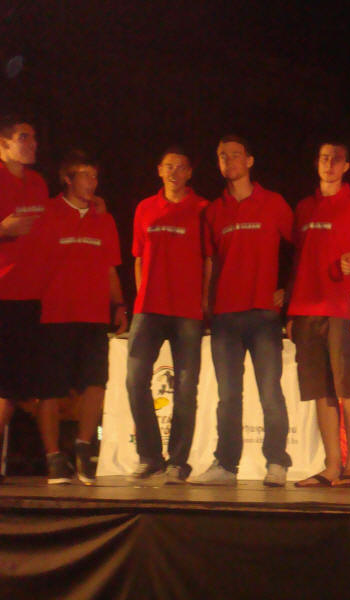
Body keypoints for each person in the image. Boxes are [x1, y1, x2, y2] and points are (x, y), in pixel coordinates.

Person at [196, 135, 293, 486]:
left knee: (270, 392)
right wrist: (206, 305)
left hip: (264, 314)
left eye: (235, 155)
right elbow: (210, 262)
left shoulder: (274, 203)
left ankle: (277, 462)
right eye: (222, 156)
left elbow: (301, 246)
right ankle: (226, 465)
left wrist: (289, 291)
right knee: (227, 396)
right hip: (225, 316)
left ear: (250, 161)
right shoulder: (213, 211)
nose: (229, 161)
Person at [36, 150, 126, 484]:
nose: (92, 182)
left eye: (95, 176)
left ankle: (83, 448)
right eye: (85, 175)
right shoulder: (47, 212)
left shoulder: (104, 218)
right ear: (67, 179)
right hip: (54, 314)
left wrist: (119, 305)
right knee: (50, 389)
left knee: (95, 383)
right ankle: (53, 458)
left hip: (93, 314)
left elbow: (110, 268)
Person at [126, 147, 208, 484]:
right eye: (168, 166)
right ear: (159, 170)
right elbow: (138, 257)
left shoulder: (203, 209)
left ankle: (178, 461)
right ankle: (150, 457)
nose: (174, 172)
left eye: (181, 167)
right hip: (148, 308)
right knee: (134, 380)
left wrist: (205, 302)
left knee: (186, 388)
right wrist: (140, 295)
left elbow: (209, 260)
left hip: (187, 310)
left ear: (190, 173)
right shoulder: (145, 207)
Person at [287, 142, 350, 488]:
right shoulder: (304, 207)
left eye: (336, 159)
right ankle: (332, 465)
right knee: (321, 390)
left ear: (346, 166)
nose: (329, 164)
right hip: (305, 308)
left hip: (341, 306)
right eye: (323, 158)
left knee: (348, 386)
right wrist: (290, 310)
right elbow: (298, 259)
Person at [0, 115, 50, 484]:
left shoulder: (37, 183)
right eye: (23, 137)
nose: (32, 143)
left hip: (30, 296)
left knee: (14, 387)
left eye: (33, 137)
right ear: (2, 143)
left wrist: (91, 203)